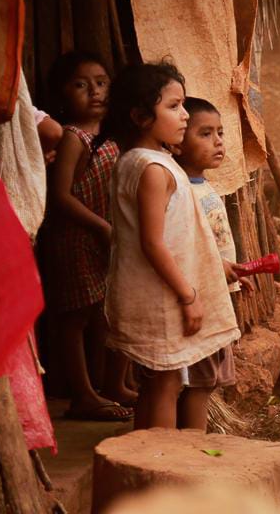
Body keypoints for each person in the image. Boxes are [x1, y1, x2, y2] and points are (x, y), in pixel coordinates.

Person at [99, 62, 239, 430]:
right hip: (163, 297)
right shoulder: (153, 169)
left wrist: (216, 267)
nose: (185, 115)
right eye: (173, 106)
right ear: (141, 117)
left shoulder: (138, 161)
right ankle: (164, 460)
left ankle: (145, 458)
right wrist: (188, 296)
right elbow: (153, 243)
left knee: (155, 384)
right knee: (167, 384)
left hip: (155, 292)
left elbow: (182, 236)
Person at [37, 51, 133, 420]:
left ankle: (113, 384)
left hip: (106, 235)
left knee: (107, 312)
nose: (94, 91)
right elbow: (60, 196)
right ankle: (83, 394)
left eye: (101, 83)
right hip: (75, 237)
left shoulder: (113, 134)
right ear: (63, 95)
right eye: (81, 85)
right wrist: (101, 226)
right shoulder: (73, 138)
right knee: (75, 317)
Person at [171, 96, 255, 430]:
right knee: (200, 382)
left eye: (220, 132)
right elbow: (188, 249)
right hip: (197, 302)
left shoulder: (203, 186)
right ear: (177, 143)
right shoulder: (181, 192)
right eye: (205, 134)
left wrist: (231, 274)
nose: (218, 141)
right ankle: (195, 447)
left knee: (206, 381)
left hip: (214, 297)